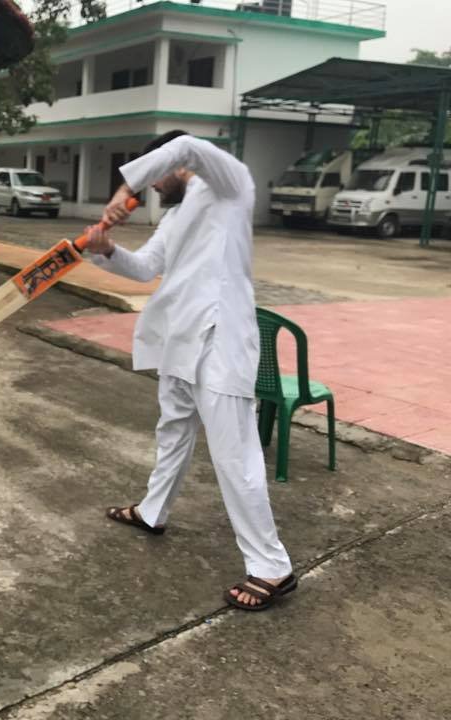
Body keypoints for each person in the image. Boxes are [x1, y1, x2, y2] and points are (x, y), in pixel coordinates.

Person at [85, 130, 296, 611]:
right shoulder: (179, 213)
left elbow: (191, 146)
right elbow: (144, 269)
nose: (153, 191)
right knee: (173, 431)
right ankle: (152, 511)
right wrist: (104, 250)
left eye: (154, 177)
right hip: (180, 340)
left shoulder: (230, 184)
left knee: (234, 455)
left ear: (173, 164)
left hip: (221, 340)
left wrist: (125, 191)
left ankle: (272, 567)